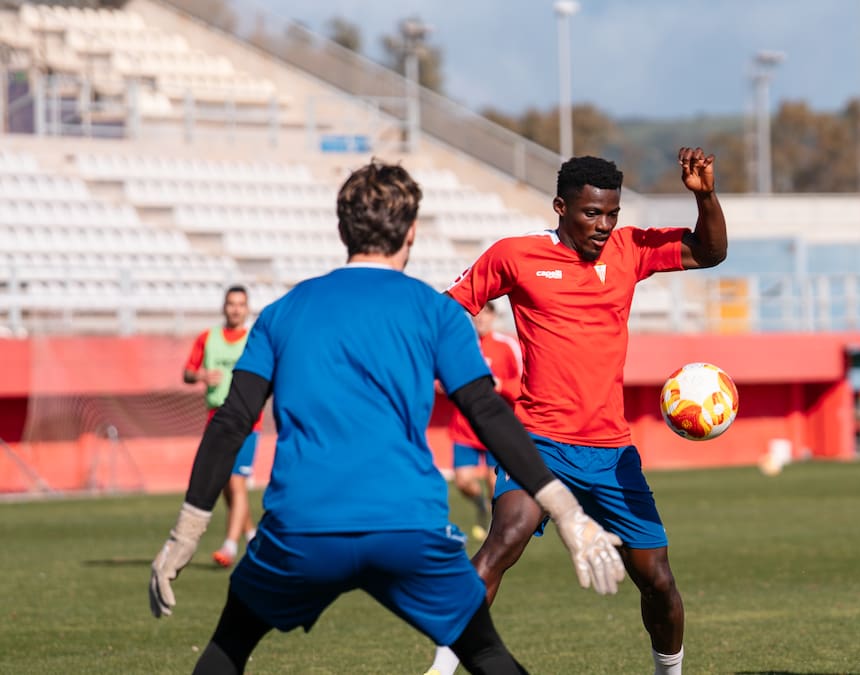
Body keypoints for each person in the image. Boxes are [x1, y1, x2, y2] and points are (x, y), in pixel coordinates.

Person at [148, 160, 625, 675]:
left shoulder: (285, 311)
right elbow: (488, 414)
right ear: (412, 231)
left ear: (341, 228)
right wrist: (567, 511)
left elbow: (231, 422)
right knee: (486, 654)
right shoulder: (434, 311)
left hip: (302, 527)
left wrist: (185, 533)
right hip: (408, 528)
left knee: (228, 647)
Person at [426, 148, 727, 675]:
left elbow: (710, 251)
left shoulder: (630, 249)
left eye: (612, 213)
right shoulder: (514, 256)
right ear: (560, 207)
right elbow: (446, 312)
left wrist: (704, 196)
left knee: (657, 578)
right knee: (504, 541)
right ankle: (442, 669)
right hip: (538, 443)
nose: (604, 225)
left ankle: (669, 672)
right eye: (592, 213)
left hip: (612, 453)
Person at [182, 285, 260, 568]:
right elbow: (187, 372)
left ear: (247, 308)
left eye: (240, 304)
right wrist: (202, 375)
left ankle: (229, 546)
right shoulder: (208, 338)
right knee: (227, 483)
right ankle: (252, 536)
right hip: (216, 418)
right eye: (231, 304)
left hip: (248, 421)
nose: (235, 309)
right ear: (224, 307)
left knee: (236, 481)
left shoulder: (255, 339)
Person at [446, 301, 522, 541]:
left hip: (495, 426)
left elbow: (523, 384)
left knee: (493, 481)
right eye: (475, 314)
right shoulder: (460, 346)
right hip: (464, 428)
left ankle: (496, 530)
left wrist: (500, 385)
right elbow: (443, 377)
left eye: (484, 314)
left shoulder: (506, 346)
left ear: (493, 316)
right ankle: (481, 505)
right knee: (464, 482)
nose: (479, 318)